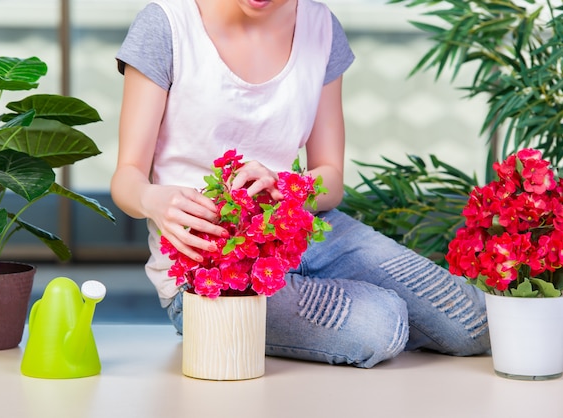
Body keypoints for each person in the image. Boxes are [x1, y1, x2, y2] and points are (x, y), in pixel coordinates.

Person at [112, 0, 490, 368]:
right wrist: (151, 199)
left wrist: (286, 186)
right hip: (212, 263)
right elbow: (126, 176)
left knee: (474, 324)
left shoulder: (321, 27)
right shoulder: (166, 25)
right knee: (381, 326)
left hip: (310, 234)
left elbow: (331, 177)